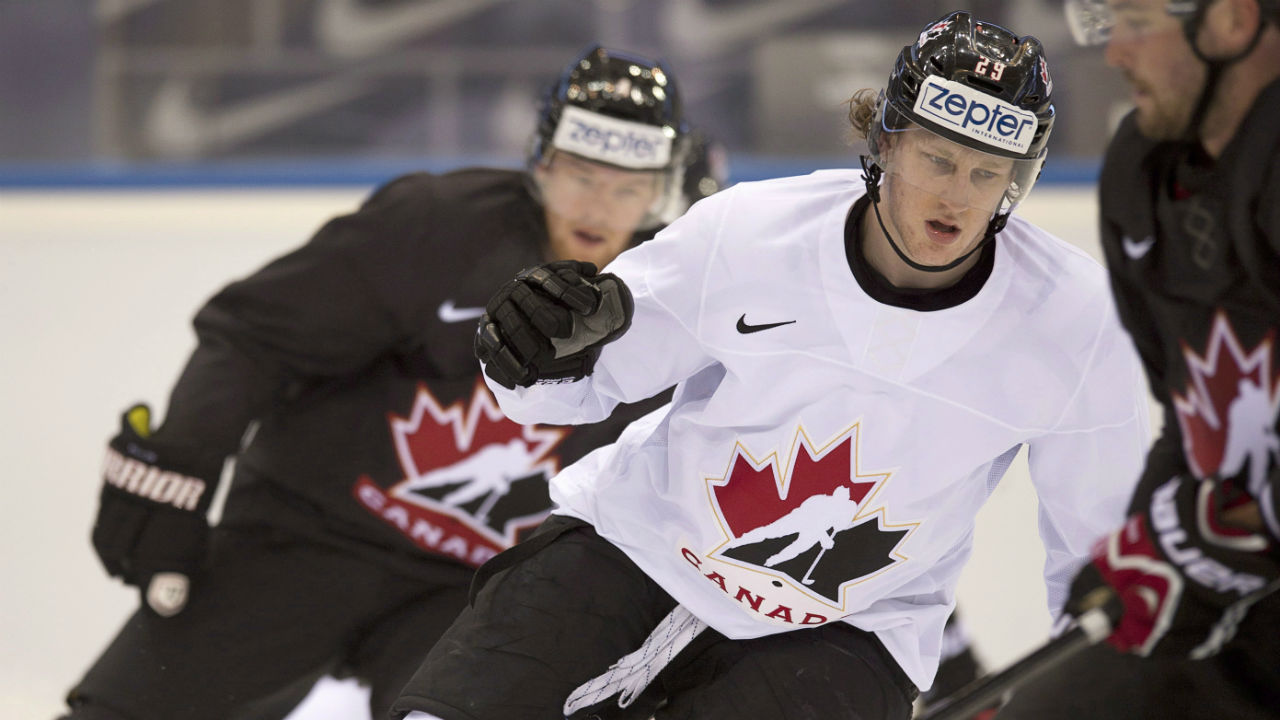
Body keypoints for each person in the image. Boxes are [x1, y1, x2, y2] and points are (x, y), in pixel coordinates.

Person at [391, 12, 1151, 720]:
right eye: (938, 158)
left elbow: (1101, 549)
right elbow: (576, 391)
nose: (957, 196)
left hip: (847, 633)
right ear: (885, 140)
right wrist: (527, 351)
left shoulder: (1074, 323)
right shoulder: (751, 232)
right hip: (635, 550)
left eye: (988, 173)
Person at [63, 45, 717, 720]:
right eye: (580, 175)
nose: (599, 206)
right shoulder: (434, 226)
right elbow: (255, 335)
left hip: (473, 592)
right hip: (308, 538)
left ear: (662, 190)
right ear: (541, 164)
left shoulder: (671, 300)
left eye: (629, 186)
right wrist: (180, 462)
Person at [995, 1, 1280, 718]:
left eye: (1136, 23)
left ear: (1233, 21)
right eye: (1104, 24)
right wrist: (1151, 538)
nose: (1114, 54)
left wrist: (1214, 535)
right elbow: (1194, 422)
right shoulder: (1145, 177)